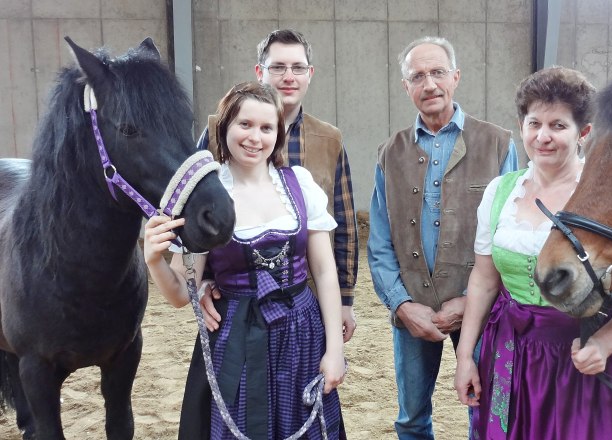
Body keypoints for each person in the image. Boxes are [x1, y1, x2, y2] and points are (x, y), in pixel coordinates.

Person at [453, 67, 612, 439]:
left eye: (558, 125)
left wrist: (604, 343)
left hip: (580, 356)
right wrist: (465, 355)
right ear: (521, 126)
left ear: (584, 133)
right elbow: (484, 280)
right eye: (534, 123)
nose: (543, 137)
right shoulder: (500, 192)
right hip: (508, 352)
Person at [144, 82, 346, 439]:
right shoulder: (207, 196)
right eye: (245, 124)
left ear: (278, 134)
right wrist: (155, 261)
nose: (255, 137)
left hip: (301, 333)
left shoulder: (299, 184)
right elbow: (179, 295)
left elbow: (325, 271)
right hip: (234, 337)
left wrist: (335, 351)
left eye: (267, 127)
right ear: (224, 128)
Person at [368, 36, 519, 439]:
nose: (429, 84)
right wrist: (401, 305)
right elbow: (379, 243)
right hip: (412, 313)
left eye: (437, 72)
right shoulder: (389, 153)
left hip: (481, 311)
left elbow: (512, 234)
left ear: (456, 77)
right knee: (411, 418)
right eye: (417, 76)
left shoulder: (499, 144)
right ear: (406, 87)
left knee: (486, 410)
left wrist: (473, 301)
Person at [197, 29, 358, 342]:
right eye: (278, 67)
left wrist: (345, 299)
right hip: (234, 301)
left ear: (310, 74)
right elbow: (195, 218)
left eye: (298, 68)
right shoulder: (217, 132)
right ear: (260, 72)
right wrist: (202, 282)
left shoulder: (329, 139)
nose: (289, 76)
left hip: (308, 299)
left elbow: (346, 224)